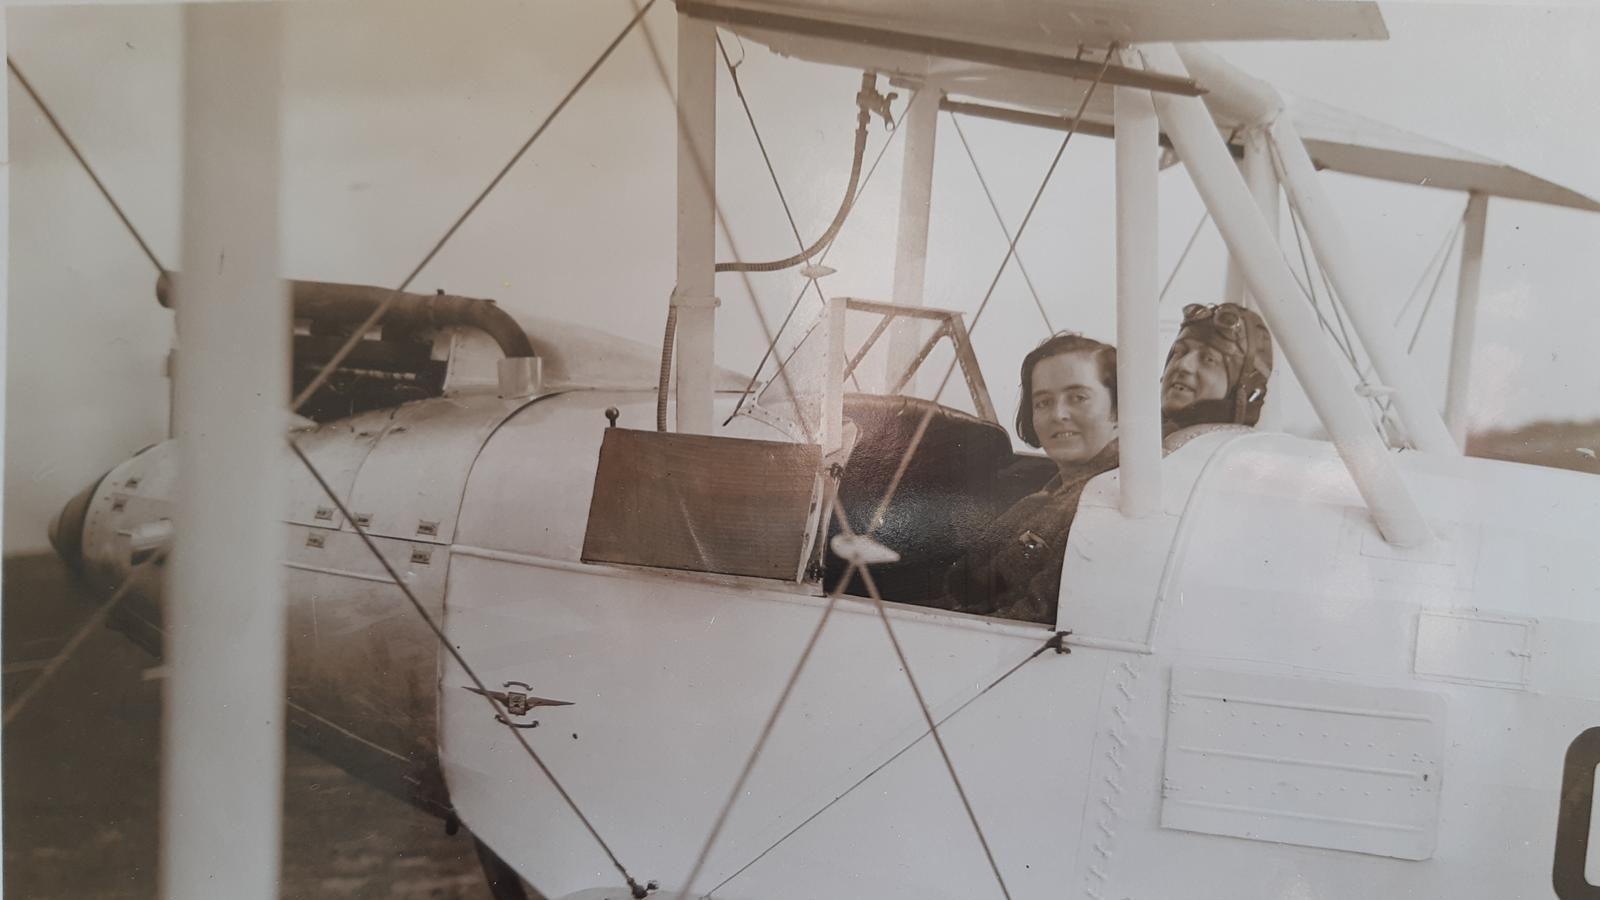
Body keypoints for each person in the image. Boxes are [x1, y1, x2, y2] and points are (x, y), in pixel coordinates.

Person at [945, 333, 1120, 624]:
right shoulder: (1047, 497)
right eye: (1043, 402)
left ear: (1119, 410)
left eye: (1078, 398)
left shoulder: (1105, 505)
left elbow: (1033, 621)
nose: (1058, 414)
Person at [1161, 302, 1274, 430]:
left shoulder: (1239, 449)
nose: (1183, 365)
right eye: (1179, 352)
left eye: (1208, 359)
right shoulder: (1147, 438)